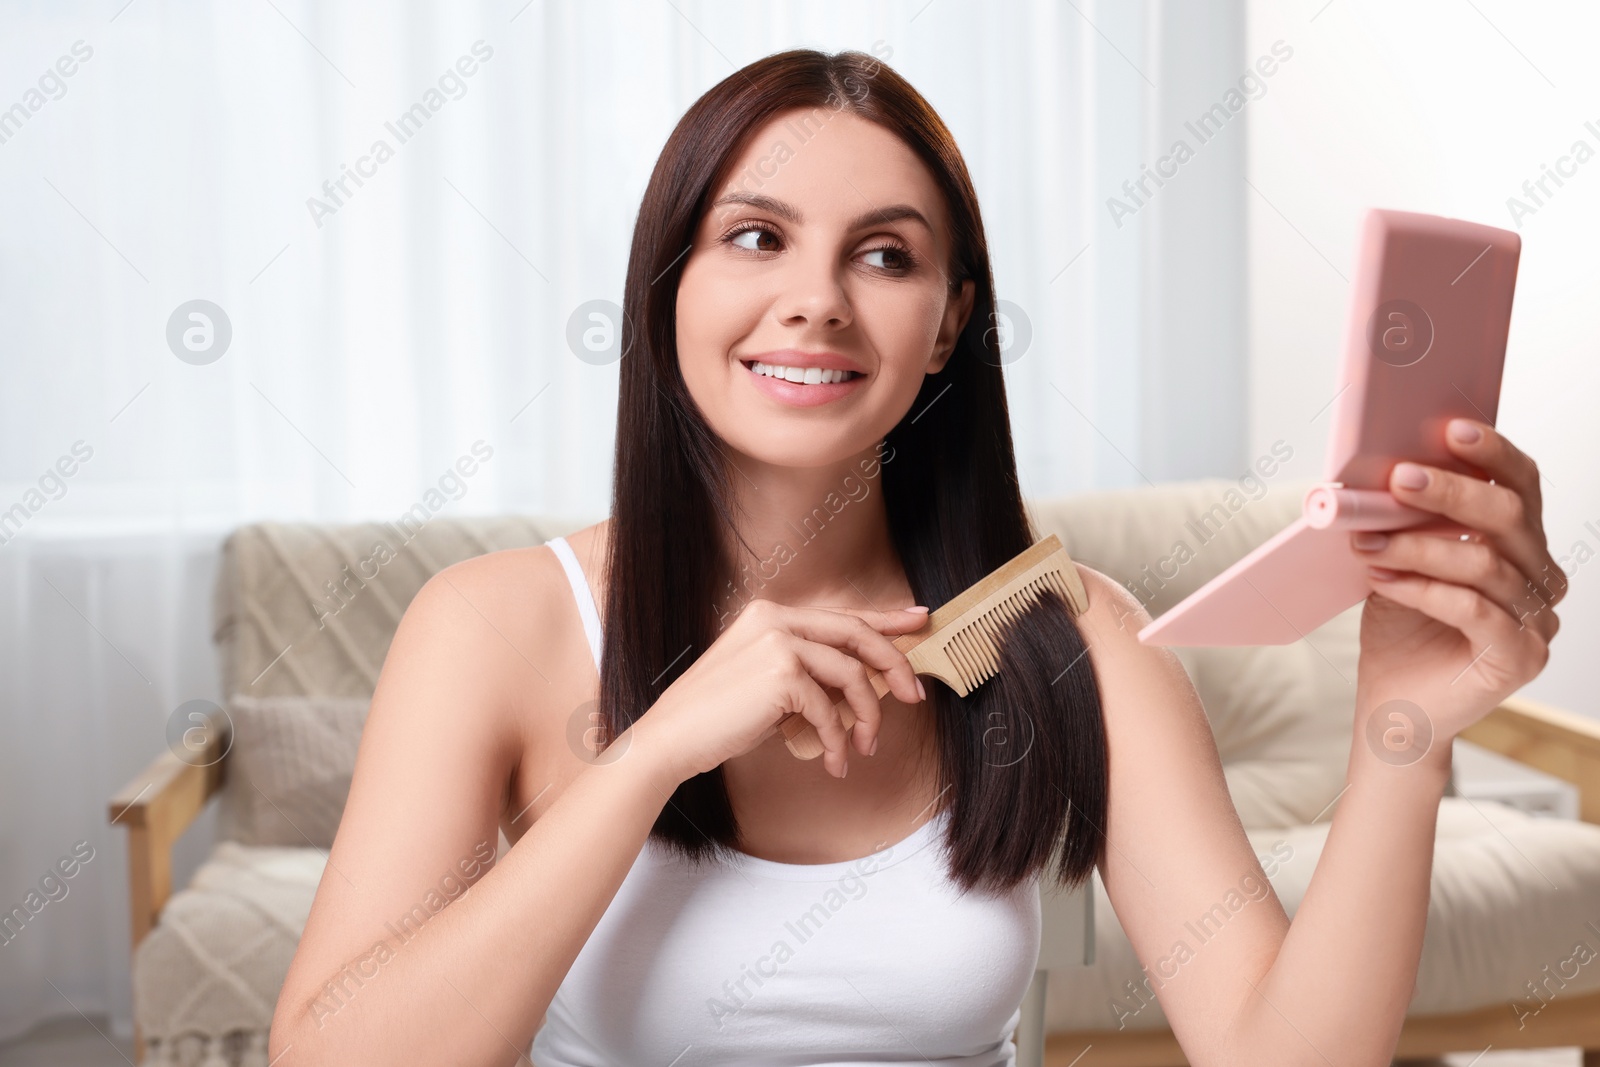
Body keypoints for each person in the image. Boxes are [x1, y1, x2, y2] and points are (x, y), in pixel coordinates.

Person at [268, 49, 1564, 1067]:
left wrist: (1404, 725)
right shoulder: (493, 627)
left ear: (946, 328)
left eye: (884, 256)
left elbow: (1290, 1057)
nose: (818, 298)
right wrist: (657, 747)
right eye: (757, 237)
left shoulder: (1070, 634)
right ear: (670, 291)